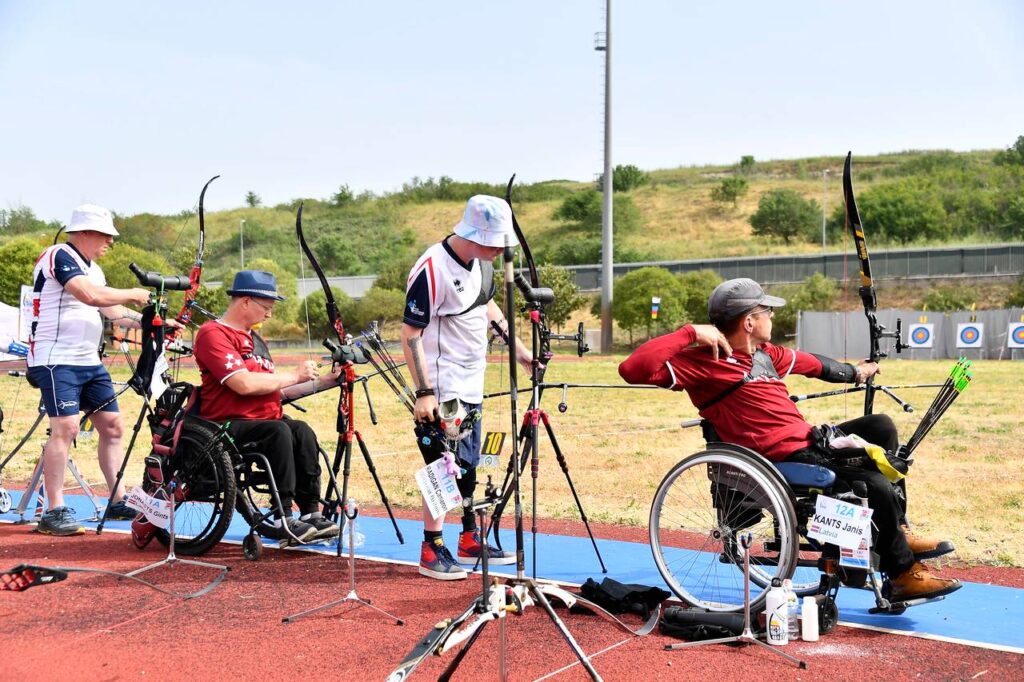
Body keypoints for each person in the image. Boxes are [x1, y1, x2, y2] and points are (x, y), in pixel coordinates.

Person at [618, 277, 962, 603]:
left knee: (881, 426)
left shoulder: (768, 353)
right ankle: (902, 575)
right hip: (779, 457)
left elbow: (817, 366)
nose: (772, 316)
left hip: (812, 441)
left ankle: (898, 529)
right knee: (873, 481)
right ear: (749, 321)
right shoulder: (702, 363)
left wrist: (857, 372)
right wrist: (690, 333)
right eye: (767, 311)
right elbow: (632, 369)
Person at [402, 195, 533, 580]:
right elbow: (410, 332)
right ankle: (432, 545)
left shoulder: (479, 264)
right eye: (495, 243)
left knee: (472, 462)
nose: (499, 251)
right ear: (475, 235)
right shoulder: (431, 268)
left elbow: (486, 307)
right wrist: (424, 392)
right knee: (444, 464)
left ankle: (469, 535)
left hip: (472, 383)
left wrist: (520, 351)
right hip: (445, 388)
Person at [27, 204, 152, 536]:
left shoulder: (93, 269)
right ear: (85, 232)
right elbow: (90, 295)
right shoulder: (59, 255)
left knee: (112, 426)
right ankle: (53, 510)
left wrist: (151, 322)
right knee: (65, 428)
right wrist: (136, 293)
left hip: (88, 362)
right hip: (56, 359)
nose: (110, 242)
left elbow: (113, 311)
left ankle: (117, 499)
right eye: (106, 236)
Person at [192, 270, 339, 546]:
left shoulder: (257, 340)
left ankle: (310, 514)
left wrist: (328, 381)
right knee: (278, 432)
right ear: (245, 301)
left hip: (264, 421)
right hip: (226, 424)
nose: (270, 315)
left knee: (302, 431)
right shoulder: (213, 333)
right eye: (267, 307)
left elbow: (276, 389)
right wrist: (295, 375)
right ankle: (282, 516)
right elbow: (244, 384)